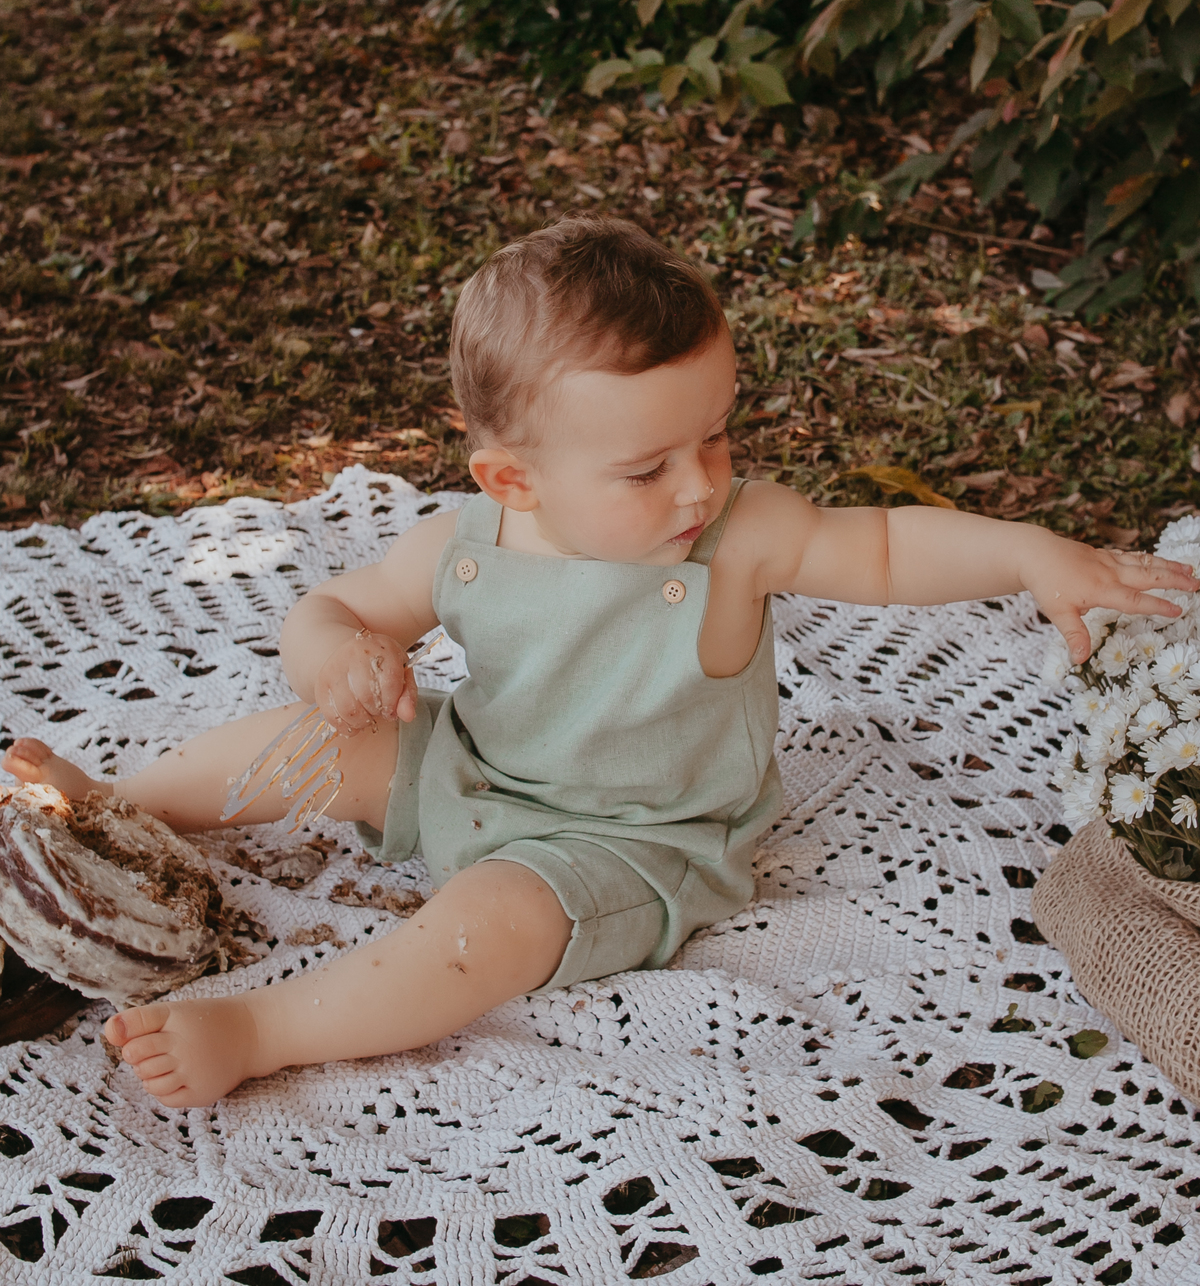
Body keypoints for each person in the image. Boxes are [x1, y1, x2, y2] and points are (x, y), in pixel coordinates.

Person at [4, 217, 1195, 1108]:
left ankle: (266, 1031)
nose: (701, 483)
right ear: (512, 480)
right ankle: (111, 808)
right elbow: (330, 605)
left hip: (633, 843)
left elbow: (882, 543)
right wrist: (337, 655)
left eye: (718, 435)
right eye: (647, 469)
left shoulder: (739, 539)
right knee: (315, 746)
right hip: (472, 770)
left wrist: (1031, 553)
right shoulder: (469, 542)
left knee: (488, 928)